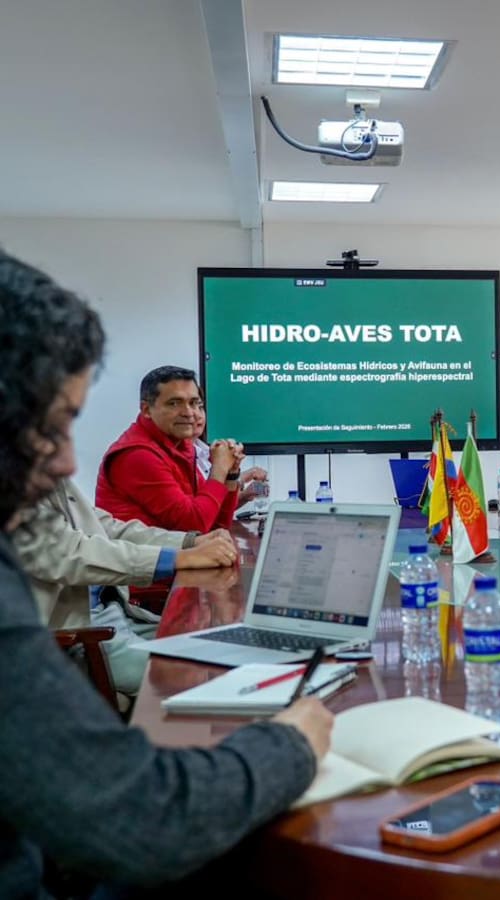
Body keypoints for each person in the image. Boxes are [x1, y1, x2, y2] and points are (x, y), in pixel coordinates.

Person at [0, 250, 331, 895]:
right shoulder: (134, 456)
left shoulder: (162, 455)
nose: (70, 460)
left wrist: (192, 542)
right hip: (99, 625)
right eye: (52, 425)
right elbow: (146, 820)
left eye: (196, 403)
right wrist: (288, 745)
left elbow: (107, 528)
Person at [11, 480, 238, 695]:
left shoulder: (40, 473)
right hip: (76, 635)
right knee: (199, 674)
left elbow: (105, 527)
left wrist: (189, 543)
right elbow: (67, 553)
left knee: (217, 646)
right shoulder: (13, 482)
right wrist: (177, 558)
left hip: (112, 612)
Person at [95, 365, 243, 532]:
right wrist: (219, 469)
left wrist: (230, 475)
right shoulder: (137, 455)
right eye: (174, 403)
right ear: (146, 410)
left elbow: (217, 526)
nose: (189, 413)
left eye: (194, 403)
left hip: (178, 554)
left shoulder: (182, 445)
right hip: (145, 557)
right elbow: (195, 525)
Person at [193, 398, 269, 507]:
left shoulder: (205, 451)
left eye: (200, 407)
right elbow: (204, 510)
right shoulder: (176, 459)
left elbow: (219, 509)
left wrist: (237, 477)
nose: (196, 415)